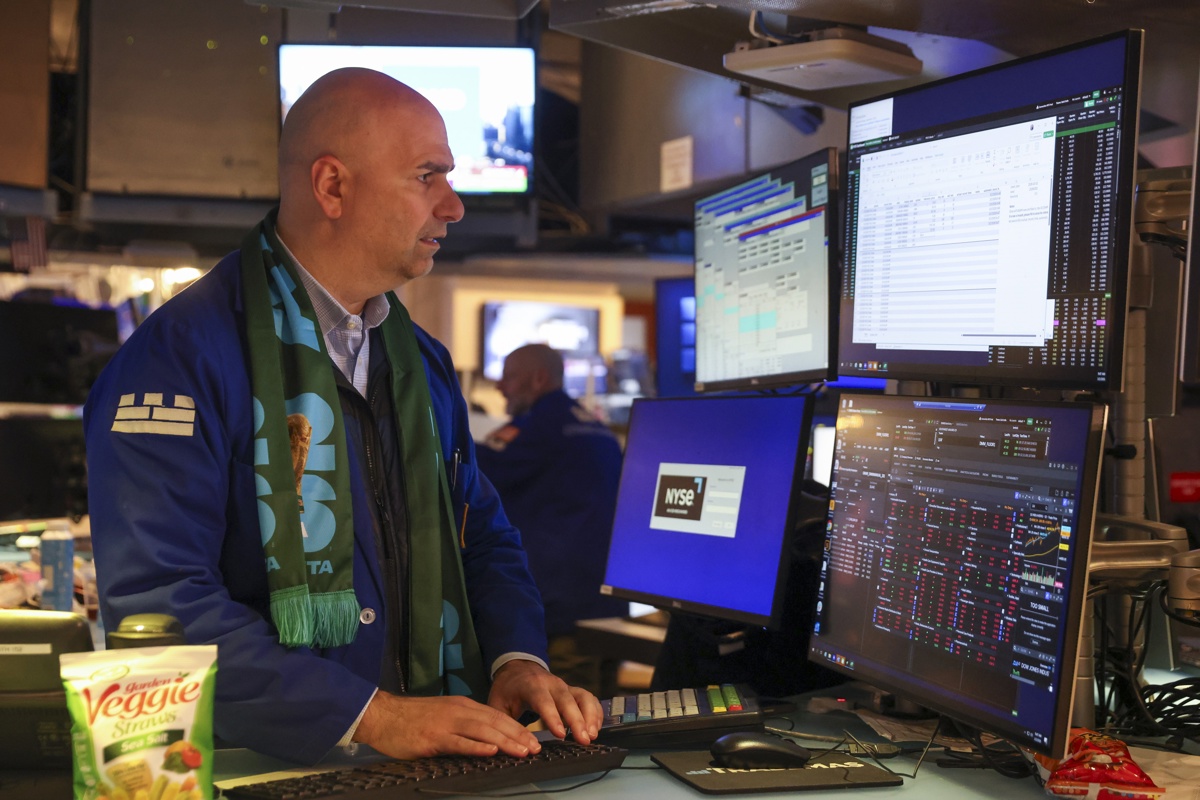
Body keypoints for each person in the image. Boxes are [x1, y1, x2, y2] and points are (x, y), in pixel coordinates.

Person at [83, 68, 601, 767]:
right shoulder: (178, 359)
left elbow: (482, 537)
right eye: (427, 176)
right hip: (262, 766)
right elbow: (159, 608)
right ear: (332, 186)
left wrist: (517, 660)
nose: (453, 206)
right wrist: (371, 716)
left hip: (427, 762)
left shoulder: (421, 363)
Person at [476, 344, 627, 696]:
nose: (500, 387)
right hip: (608, 608)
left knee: (573, 718)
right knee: (608, 713)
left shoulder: (537, 429)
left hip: (563, 612)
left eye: (509, 377)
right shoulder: (595, 427)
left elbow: (472, 473)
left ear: (538, 378)